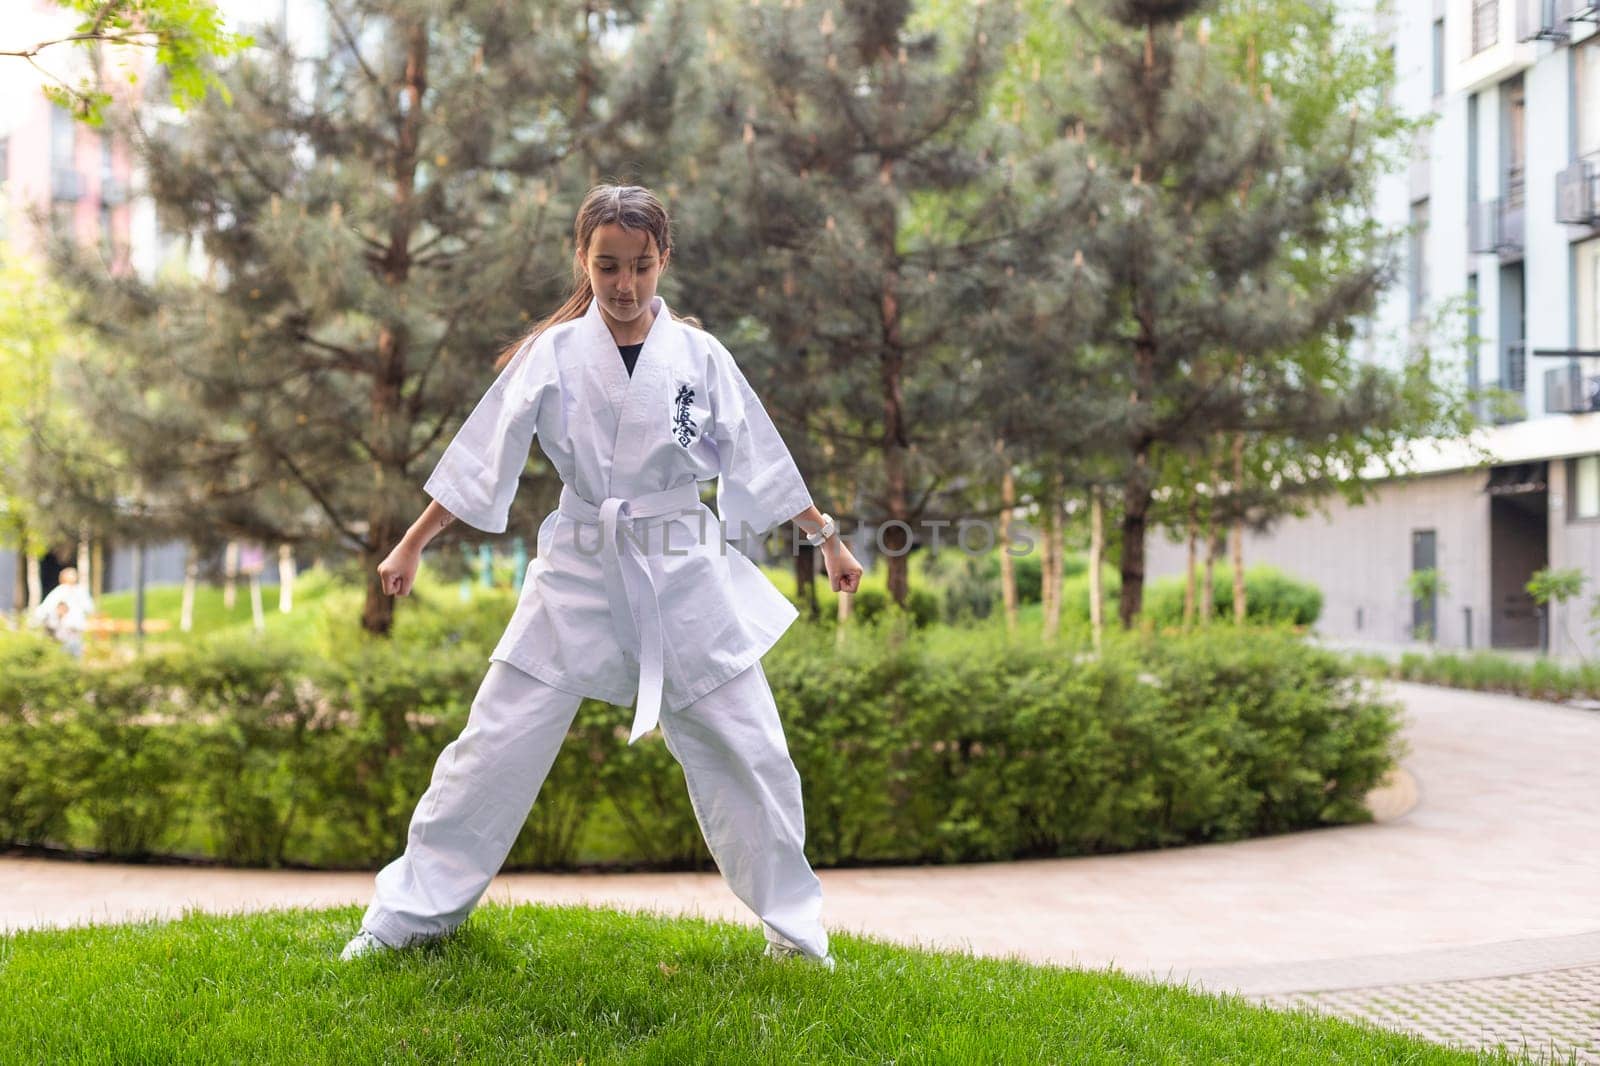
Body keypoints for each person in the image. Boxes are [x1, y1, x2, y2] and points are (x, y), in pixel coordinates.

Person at [342, 184, 863, 969]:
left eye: (642, 267)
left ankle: (795, 932)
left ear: (665, 262)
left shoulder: (700, 356)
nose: (625, 286)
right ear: (582, 260)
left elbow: (760, 452)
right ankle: (410, 916)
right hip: (581, 564)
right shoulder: (550, 356)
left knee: (752, 748)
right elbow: (485, 449)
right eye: (608, 265)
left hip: (685, 567)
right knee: (493, 742)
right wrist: (412, 542)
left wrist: (825, 538)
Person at [33, 567, 94, 659]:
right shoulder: (59, 592)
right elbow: (45, 609)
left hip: (77, 631)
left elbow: (89, 608)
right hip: (62, 632)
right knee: (63, 655)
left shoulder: (80, 591)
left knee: (76, 655)